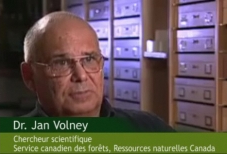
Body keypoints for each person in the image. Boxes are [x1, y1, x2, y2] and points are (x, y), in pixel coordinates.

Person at [20, 11, 175, 132]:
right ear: (29, 76)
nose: (81, 76)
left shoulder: (148, 128)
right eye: (61, 63)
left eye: (89, 59)